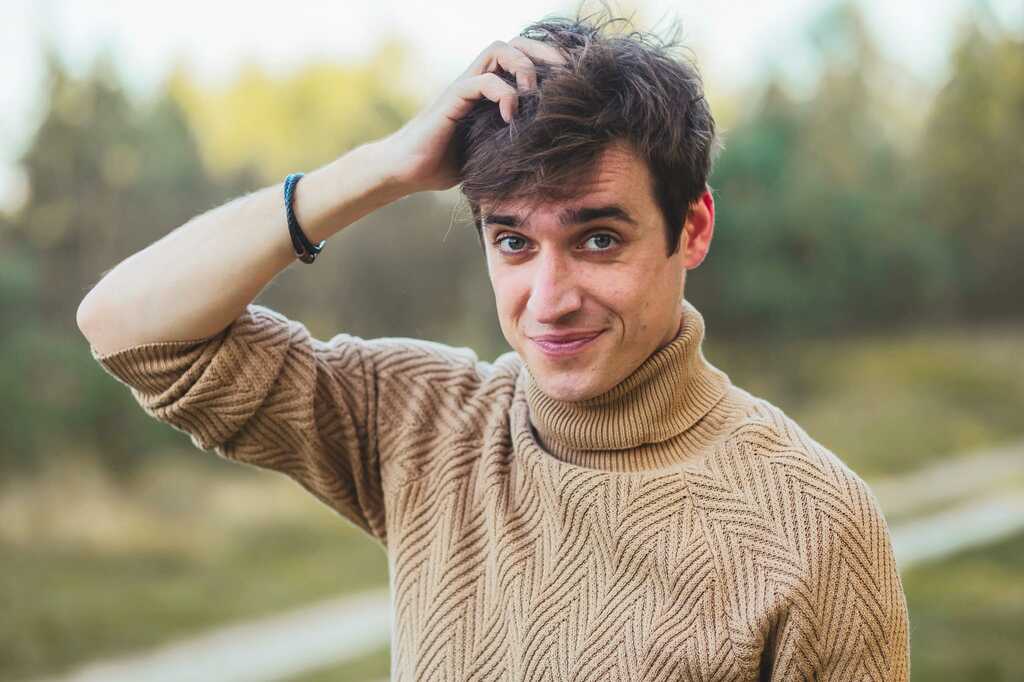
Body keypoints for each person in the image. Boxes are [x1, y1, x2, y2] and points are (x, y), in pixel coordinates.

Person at [77, 10, 911, 682]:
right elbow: (127, 326)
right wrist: (385, 166)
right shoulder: (425, 423)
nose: (548, 300)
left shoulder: (815, 527)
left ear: (691, 229)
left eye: (598, 239)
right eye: (513, 242)